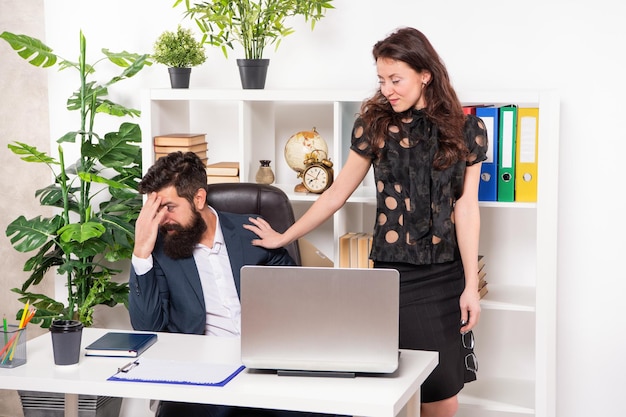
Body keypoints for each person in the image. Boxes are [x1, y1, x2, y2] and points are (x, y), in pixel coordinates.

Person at [245, 27, 488, 417]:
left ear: (425, 74)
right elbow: (336, 193)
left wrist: (470, 287)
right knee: (394, 385)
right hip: (394, 276)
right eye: (381, 80)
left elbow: (467, 207)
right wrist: (283, 237)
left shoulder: (467, 131)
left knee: (443, 391)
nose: (387, 89)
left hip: (446, 275)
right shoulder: (374, 126)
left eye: (396, 79)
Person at [129, 151, 325, 417]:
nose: (162, 219)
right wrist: (141, 251)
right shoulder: (160, 249)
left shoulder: (251, 231)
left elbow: (298, 296)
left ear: (198, 198)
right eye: (155, 208)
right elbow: (146, 326)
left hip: (266, 363)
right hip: (203, 373)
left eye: (170, 207)